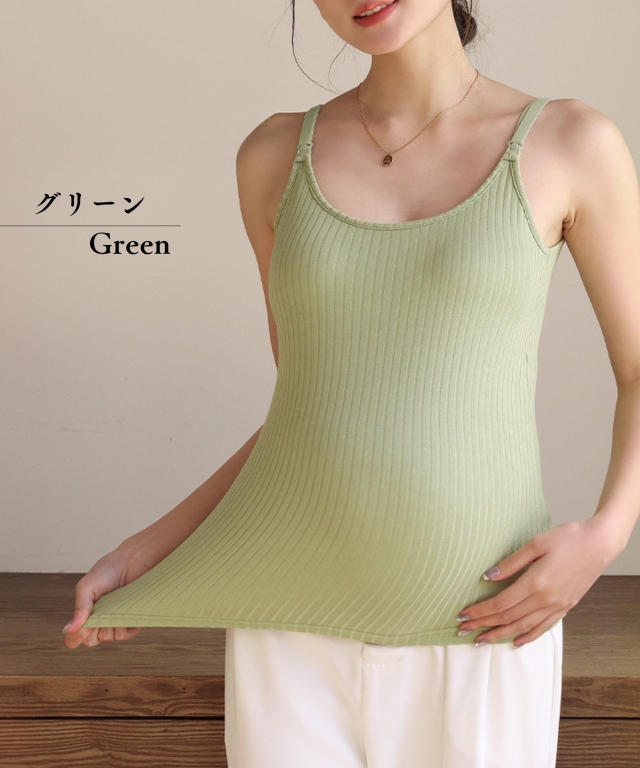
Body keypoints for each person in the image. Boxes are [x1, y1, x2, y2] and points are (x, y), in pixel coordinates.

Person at [63, 1, 640, 766]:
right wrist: (148, 551)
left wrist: (605, 537)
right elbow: (309, 414)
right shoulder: (273, 155)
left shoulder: (570, 142)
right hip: (287, 628)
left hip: (483, 627)